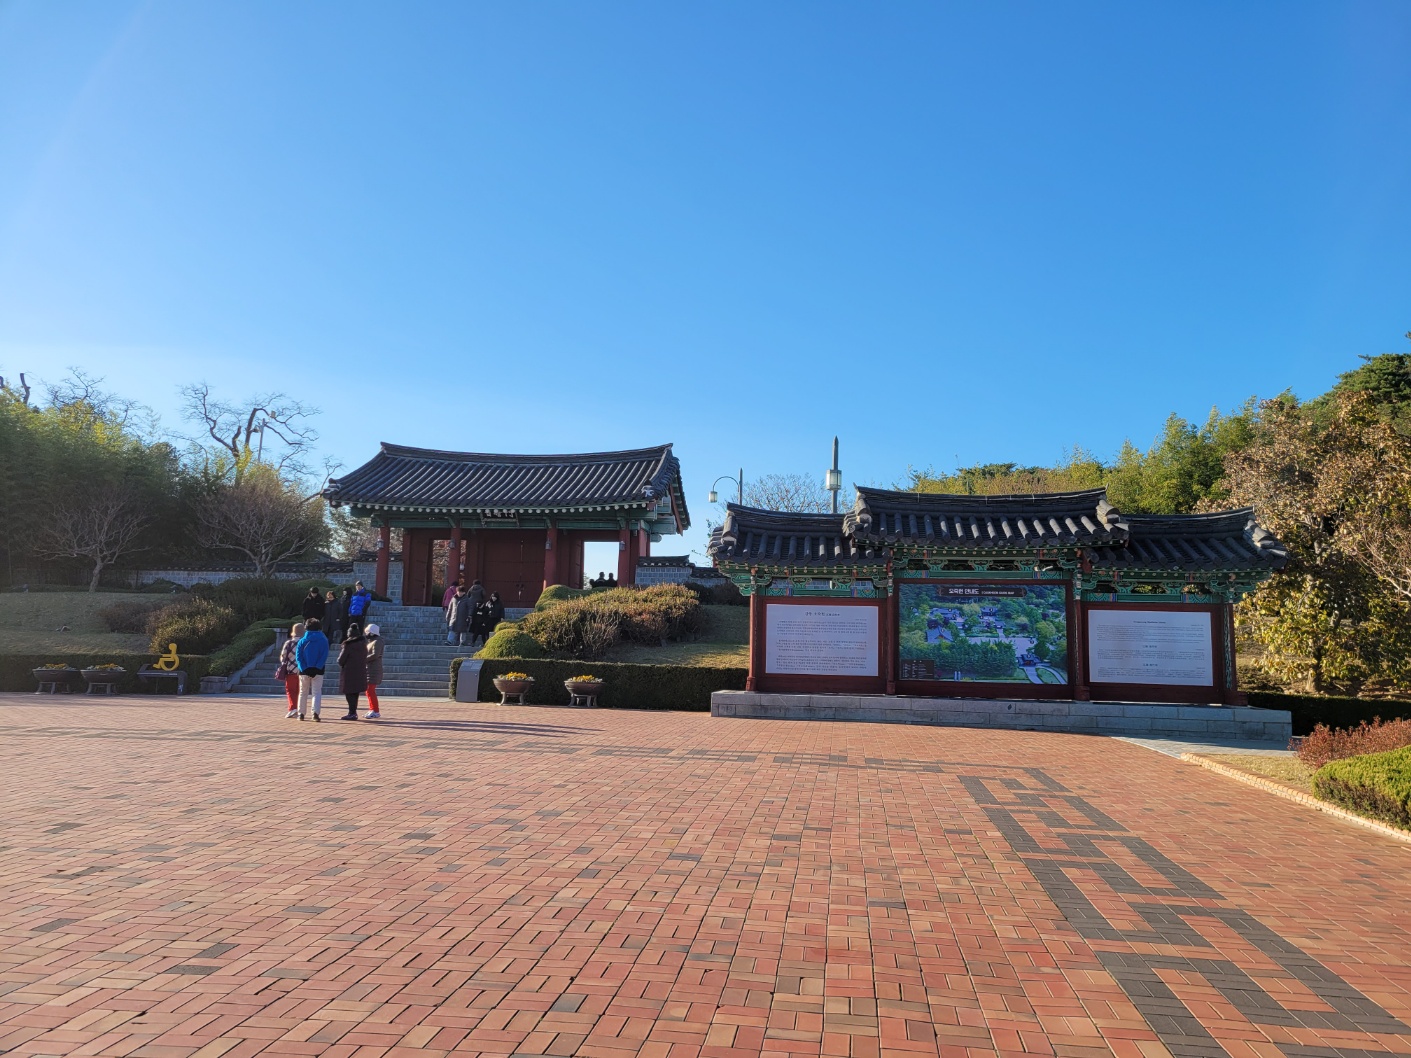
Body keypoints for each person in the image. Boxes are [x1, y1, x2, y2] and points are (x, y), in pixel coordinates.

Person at [294, 617, 329, 722]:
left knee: (302, 692)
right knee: (316, 692)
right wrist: (317, 667)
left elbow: (298, 656)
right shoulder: (323, 640)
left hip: (304, 671)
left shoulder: (302, 640)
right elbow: (324, 656)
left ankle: (301, 714)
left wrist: (304, 668)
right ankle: (315, 713)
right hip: (318, 670)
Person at [338, 621, 368, 720]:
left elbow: (341, 660)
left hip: (349, 672)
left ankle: (352, 712)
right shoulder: (363, 644)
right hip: (360, 671)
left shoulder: (348, 645)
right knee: (355, 692)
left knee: (349, 692)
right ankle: (353, 712)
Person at [276, 622, 305, 719]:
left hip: (290, 670)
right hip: (303, 670)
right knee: (301, 691)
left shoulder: (289, 643)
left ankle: (293, 708)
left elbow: (283, 657)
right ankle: (300, 709)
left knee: (291, 690)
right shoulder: (305, 642)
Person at [365, 623, 384, 719]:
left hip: (374, 669)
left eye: (368, 632)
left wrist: (364, 659)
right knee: (368, 690)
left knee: (370, 690)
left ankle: (375, 710)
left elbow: (375, 654)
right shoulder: (372, 641)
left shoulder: (377, 641)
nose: (366, 634)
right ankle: (372, 708)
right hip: (370, 668)